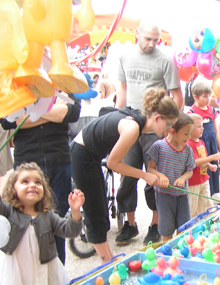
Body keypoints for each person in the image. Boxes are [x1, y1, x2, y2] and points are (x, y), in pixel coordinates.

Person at [71, 88, 179, 264]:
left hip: (90, 155)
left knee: (101, 209)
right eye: (168, 125)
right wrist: (144, 175)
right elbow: (113, 164)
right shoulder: (133, 128)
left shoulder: (139, 121)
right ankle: (106, 262)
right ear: (158, 117)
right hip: (82, 155)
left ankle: (109, 259)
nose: (168, 131)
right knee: (94, 212)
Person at [0, 162, 83, 285]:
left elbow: (69, 231)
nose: (33, 185)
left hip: (47, 272)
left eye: (38, 182)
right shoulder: (9, 212)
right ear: (13, 188)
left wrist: (75, 211)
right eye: (25, 181)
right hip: (20, 276)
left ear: (44, 190)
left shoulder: (48, 215)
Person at [115, 19, 183, 246]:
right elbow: (122, 90)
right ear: (137, 34)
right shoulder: (124, 56)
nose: (152, 44)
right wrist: (117, 119)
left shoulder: (165, 60)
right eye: (148, 39)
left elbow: (177, 96)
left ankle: (155, 225)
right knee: (127, 175)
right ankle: (130, 224)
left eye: (156, 40)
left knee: (154, 176)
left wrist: (171, 127)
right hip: (130, 124)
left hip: (155, 127)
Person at [0, 93, 81, 265]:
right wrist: (54, 111)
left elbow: (73, 112)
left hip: (58, 158)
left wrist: (30, 111)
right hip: (27, 161)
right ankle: (31, 275)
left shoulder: (62, 79)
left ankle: (57, 272)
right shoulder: (16, 83)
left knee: (57, 218)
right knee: (25, 218)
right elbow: (7, 120)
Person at [147, 113, 196, 241]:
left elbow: (190, 171)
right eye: (186, 133)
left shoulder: (188, 150)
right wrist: (160, 176)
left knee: (184, 227)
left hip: (182, 195)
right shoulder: (158, 146)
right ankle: (168, 252)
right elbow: (150, 169)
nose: (189, 137)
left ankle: (180, 252)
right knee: (166, 227)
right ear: (173, 131)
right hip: (164, 195)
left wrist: (183, 178)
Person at [188, 82, 220, 197]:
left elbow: (216, 132)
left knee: (214, 171)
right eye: (204, 96)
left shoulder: (212, 111)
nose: (208, 99)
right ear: (195, 97)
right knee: (203, 172)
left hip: (212, 145)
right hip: (200, 146)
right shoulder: (191, 113)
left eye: (209, 96)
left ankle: (214, 197)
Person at [186, 114, 220, 218]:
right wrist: (213, 157)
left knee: (207, 204)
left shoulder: (201, 142)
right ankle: (190, 229)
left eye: (202, 126)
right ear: (189, 128)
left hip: (204, 179)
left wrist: (209, 165)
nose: (202, 128)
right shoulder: (189, 144)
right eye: (199, 126)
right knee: (192, 208)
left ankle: (208, 222)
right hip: (193, 182)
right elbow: (194, 162)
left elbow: (202, 159)